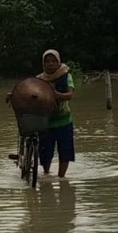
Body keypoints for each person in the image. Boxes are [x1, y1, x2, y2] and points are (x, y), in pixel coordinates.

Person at [36, 49, 75, 178]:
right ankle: (46, 174)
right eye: (47, 61)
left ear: (58, 62)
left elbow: (70, 94)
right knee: (45, 152)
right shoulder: (39, 79)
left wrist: (57, 95)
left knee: (65, 152)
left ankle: (61, 177)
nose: (50, 64)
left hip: (64, 121)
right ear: (43, 64)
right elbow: (29, 92)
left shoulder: (66, 76)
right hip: (46, 122)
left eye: (53, 61)